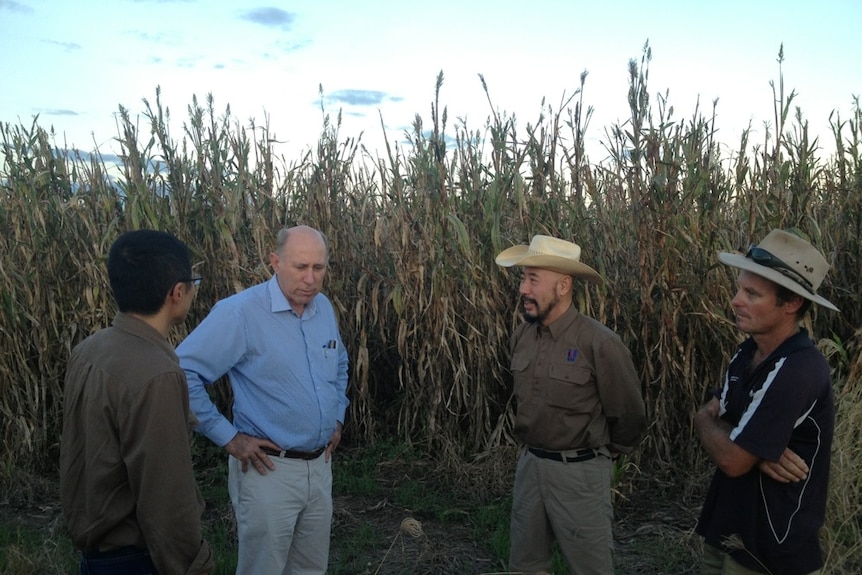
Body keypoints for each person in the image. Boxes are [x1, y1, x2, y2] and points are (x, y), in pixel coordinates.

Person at [177, 224, 349, 575]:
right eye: (300, 267)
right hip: (269, 471)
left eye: (319, 268)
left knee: (309, 570)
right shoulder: (240, 313)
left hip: (320, 467)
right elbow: (181, 373)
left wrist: (337, 416)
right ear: (275, 262)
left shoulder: (324, 309)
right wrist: (227, 437)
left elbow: (340, 363)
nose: (311, 279)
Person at [59, 229, 213, 575]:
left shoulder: (90, 349)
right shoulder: (157, 373)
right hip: (135, 559)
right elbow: (166, 495)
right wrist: (192, 565)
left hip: (97, 553)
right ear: (177, 292)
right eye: (193, 283)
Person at [495, 234, 647, 575]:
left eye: (533, 279)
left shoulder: (600, 343)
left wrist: (600, 460)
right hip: (530, 468)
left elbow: (629, 415)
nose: (523, 289)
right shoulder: (521, 337)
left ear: (563, 285)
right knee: (525, 566)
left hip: (580, 475)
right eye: (523, 278)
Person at [695, 229, 839, 575]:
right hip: (728, 529)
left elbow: (731, 459)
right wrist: (756, 451)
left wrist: (702, 420)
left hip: (770, 551)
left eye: (752, 293)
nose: (735, 300)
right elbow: (732, 425)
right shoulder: (749, 351)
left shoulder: (797, 369)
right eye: (739, 289)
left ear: (792, 304)